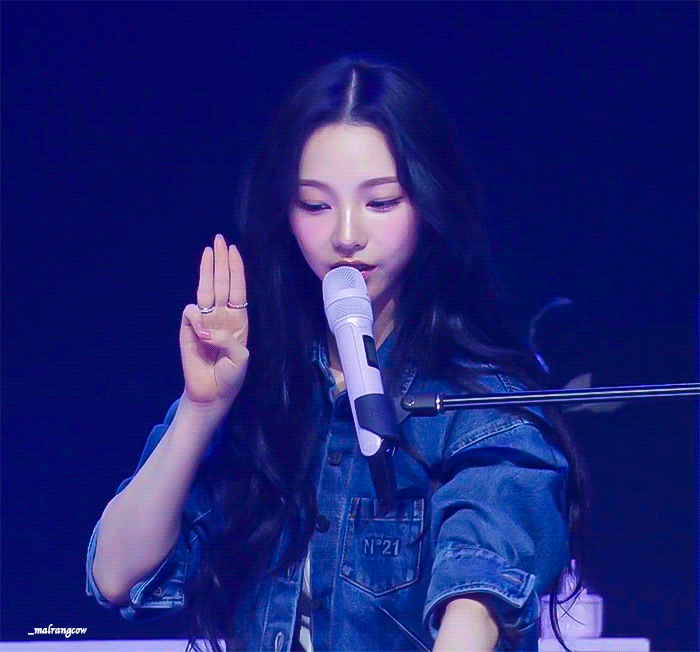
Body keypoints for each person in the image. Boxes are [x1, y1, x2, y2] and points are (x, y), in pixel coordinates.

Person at [86, 55, 590, 652]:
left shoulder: (479, 398)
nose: (346, 235)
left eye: (381, 202)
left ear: (428, 205)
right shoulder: (259, 383)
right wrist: (201, 411)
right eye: (316, 205)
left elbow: (478, 599)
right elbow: (116, 576)